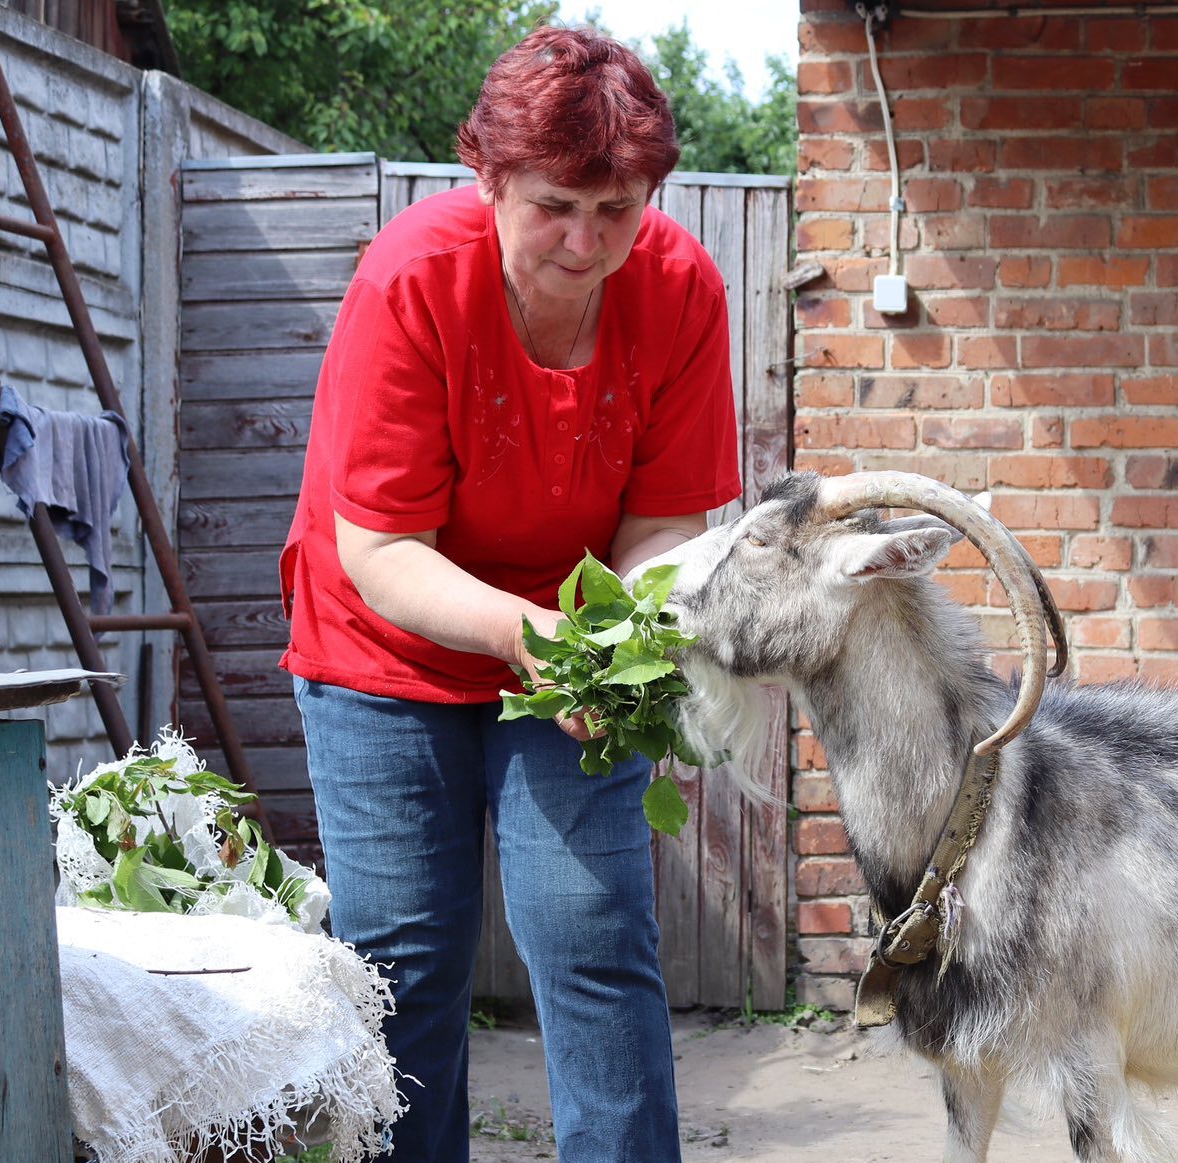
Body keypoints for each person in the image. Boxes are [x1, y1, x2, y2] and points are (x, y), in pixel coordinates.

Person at [278, 25, 739, 1162]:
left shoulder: (679, 287)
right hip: (382, 650)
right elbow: (381, 547)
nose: (586, 245)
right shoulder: (410, 279)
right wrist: (515, 626)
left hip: (566, 655)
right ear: (487, 178)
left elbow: (667, 525)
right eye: (553, 207)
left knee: (592, 934)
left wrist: (612, 641)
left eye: (617, 210)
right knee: (402, 964)